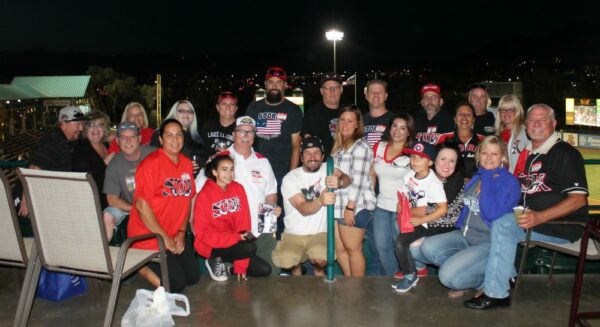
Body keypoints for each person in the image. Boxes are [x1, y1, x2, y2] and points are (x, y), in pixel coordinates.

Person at [465, 104, 589, 309]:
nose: (536, 124)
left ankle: (496, 293)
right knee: (495, 215)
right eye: (532, 120)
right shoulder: (529, 153)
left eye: (543, 120)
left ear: (554, 124)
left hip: (561, 224)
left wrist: (540, 216)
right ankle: (505, 276)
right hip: (531, 218)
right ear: (526, 125)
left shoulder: (565, 153)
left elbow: (578, 200)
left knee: (503, 224)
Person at [420, 136, 520, 299]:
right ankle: (465, 275)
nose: (488, 157)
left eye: (494, 154)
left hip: (488, 243)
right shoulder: (477, 177)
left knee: (447, 277)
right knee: (427, 247)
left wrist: (487, 176)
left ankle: (488, 280)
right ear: (478, 155)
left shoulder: (509, 182)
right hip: (465, 236)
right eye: (484, 153)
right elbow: (465, 207)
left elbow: (491, 213)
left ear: (502, 157)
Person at [195, 116, 281, 274]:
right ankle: (224, 261)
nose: (246, 135)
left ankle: (231, 266)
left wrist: (270, 218)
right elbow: (197, 192)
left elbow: (271, 194)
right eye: (242, 131)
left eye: (250, 132)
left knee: (273, 273)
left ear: (254, 137)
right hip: (229, 236)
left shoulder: (263, 162)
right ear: (233, 134)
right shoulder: (220, 159)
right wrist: (195, 228)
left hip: (260, 232)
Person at [128, 119, 199, 293]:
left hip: (174, 233)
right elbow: (142, 205)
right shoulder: (150, 164)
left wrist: (182, 232)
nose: (175, 139)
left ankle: (165, 259)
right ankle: (139, 266)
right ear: (160, 140)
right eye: (169, 135)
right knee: (174, 285)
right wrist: (164, 237)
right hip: (150, 235)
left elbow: (187, 199)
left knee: (193, 277)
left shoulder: (186, 164)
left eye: (179, 134)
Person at [272, 136, 350, 276]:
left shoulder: (328, 168)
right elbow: (303, 207)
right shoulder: (291, 178)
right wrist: (320, 201)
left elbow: (347, 178)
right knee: (287, 260)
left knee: (321, 259)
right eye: (308, 153)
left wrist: (340, 182)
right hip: (294, 233)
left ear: (323, 156)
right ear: (301, 157)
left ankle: (318, 270)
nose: (312, 157)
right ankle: (297, 270)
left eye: (316, 152)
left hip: (319, 233)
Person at [194, 154, 271, 281]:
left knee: (264, 270)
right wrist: (236, 238)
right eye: (224, 169)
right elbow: (203, 234)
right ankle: (214, 259)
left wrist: (240, 267)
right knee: (250, 248)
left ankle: (229, 269)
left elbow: (244, 225)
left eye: (231, 169)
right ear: (214, 172)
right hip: (209, 245)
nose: (229, 173)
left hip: (233, 243)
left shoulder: (238, 189)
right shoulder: (204, 196)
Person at [391, 142, 447, 292]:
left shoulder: (434, 183)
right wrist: (400, 204)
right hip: (410, 218)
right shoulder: (409, 175)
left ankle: (410, 275)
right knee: (397, 235)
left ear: (430, 162)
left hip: (425, 223)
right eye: (413, 156)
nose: (414, 160)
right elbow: (404, 193)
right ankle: (412, 268)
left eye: (420, 158)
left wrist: (422, 220)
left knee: (401, 244)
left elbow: (443, 209)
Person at [407, 143, 465, 279]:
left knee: (421, 244)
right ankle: (418, 269)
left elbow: (432, 209)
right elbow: (412, 199)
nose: (447, 165)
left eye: (452, 161)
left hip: (448, 229)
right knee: (409, 239)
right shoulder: (426, 177)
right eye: (443, 159)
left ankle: (455, 272)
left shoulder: (456, 180)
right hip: (429, 225)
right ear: (433, 161)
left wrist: (409, 210)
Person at [331, 105, 377, 276]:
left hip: (354, 206)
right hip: (338, 205)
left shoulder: (360, 146)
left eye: (350, 120)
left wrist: (350, 208)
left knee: (353, 250)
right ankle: (350, 287)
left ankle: (357, 288)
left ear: (358, 124)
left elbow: (358, 180)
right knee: (340, 250)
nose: (345, 124)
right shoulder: (340, 146)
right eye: (342, 120)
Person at [18, 106, 86, 217]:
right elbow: (33, 170)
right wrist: (26, 202)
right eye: (77, 124)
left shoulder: (66, 141)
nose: (81, 128)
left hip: (50, 199)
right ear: (63, 123)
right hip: (34, 202)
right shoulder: (52, 141)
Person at [370, 113, 415, 276]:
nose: (397, 130)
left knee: (401, 247)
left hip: (402, 209)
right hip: (381, 206)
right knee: (382, 248)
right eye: (395, 126)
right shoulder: (379, 147)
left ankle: (410, 277)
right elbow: (372, 173)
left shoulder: (412, 153)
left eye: (403, 128)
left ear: (409, 132)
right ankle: (394, 277)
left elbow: (418, 180)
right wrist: (370, 197)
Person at [245, 66, 303, 185]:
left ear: (285, 85)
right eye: (271, 82)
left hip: (282, 174)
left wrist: (290, 176)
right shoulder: (253, 108)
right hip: (256, 172)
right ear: (265, 84)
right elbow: (245, 140)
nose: (274, 86)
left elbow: (296, 146)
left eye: (279, 82)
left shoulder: (294, 110)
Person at [102, 122, 156, 240]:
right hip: (131, 207)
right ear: (117, 141)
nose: (128, 141)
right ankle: (104, 256)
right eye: (123, 137)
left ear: (139, 138)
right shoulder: (114, 164)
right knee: (107, 215)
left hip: (157, 205)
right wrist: (136, 209)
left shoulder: (155, 154)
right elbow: (112, 199)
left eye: (132, 136)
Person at [151, 100, 206, 173]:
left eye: (190, 111)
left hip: (198, 180)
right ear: (174, 113)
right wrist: (184, 167)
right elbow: (154, 161)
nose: (186, 114)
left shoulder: (196, 136)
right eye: (182, 111)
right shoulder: (161, 134)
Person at [72, 110, 110, 209]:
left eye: (100, 125)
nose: (96, 129)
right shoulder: (80, 148)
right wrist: (105, 162)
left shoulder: (106, 145)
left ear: (104, 128)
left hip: (108, 199)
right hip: (91, 203)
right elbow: (84, 177)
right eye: (91, 125)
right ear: (85, 129)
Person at [437, 102, 484, 179]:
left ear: (473, 120)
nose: (464, 117)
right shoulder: (443, 138)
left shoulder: (483, 141)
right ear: (455, 119)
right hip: (450, 184)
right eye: (460, 114)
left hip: (476, 185)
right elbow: (436, 164)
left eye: (468, 115)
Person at [301, 73, 343, 155]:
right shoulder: (312, 114)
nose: (332, 91)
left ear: (341, 89)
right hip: (321, 164)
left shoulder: (348, 112)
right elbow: (308, 145)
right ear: (321, 91)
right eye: (327, 88)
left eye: (335, 87)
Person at [494, 95, 528, 173]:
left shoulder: (525, 133)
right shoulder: (497, 135)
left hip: (517, 181)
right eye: (503, 109)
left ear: (517, 111)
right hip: (500, 179)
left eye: (510, 109)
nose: (506, 113)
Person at [201, 91, 238, 156]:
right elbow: (201, 149)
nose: (228, 107)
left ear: (236, 108)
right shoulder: (208, 125)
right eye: (224, 104)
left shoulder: (240, 128)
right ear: (217, 107)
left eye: (232, 104)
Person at [363, 79, 396, 147]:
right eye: (372, 92)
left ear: (385, 96)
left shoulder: (395, 121)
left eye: (380, 92)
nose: (376, 95)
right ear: (366, 96)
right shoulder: (359, 121)